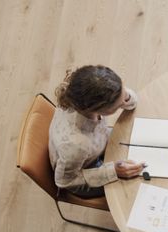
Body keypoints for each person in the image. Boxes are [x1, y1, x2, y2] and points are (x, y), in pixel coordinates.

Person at [48, 65, 144, 198]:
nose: (125, 100)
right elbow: (64, 181)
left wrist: (125, 96)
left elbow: (129, 99)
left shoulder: (79, 91)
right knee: (134, 187)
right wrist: (113, 171)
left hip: (96, 144)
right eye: (118, 105)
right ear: (99, 109)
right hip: (83, 171)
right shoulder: (76, 145)